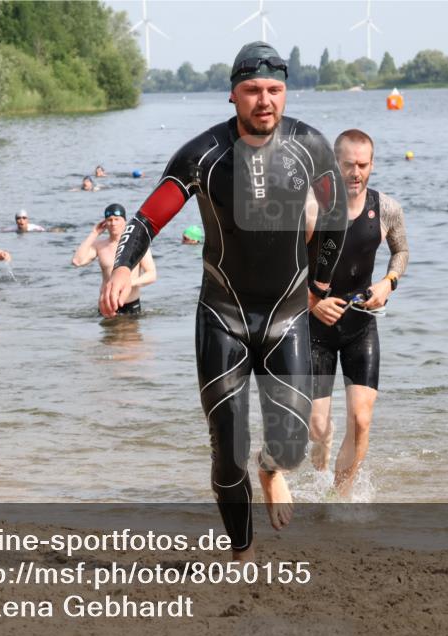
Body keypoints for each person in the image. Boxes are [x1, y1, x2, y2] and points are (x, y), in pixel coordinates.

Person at [99, 41, 348, 561]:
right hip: (223, 315)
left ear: (285, 93)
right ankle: (241, 550)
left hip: (286, 317)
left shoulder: (312, 148)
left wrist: (319, 286)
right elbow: (149, 217)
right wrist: (123, 266)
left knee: (293, 444)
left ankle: (273, 468)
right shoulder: (203, 155)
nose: (264, 100)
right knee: (226, 452)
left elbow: (334, 219)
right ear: (232, 95)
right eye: (252, 90)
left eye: (274, 90)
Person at [307, 129, 409, 498]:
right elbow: (281, 267)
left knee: (362, 419)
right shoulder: (311, 207)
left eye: (363, 165)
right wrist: (312, 302)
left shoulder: (386, 208)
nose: (355, 173)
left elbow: (401, 252)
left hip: (360, 324)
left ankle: (340, 499)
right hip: (314, 326)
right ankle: (320, 459)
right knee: (318, 428)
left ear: (372, 165)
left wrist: (388, 283)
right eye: (348, 165)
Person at [73, 203, 156, 315]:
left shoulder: (137, 244)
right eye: (109, 220)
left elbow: (151, 275)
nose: (113, 223)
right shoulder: (99, 246)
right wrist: (94, 233)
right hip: (106, 307)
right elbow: (77, 261)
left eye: (117, 219)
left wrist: (128, 283)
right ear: (105, 223)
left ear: (125, 221)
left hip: (130, 305)